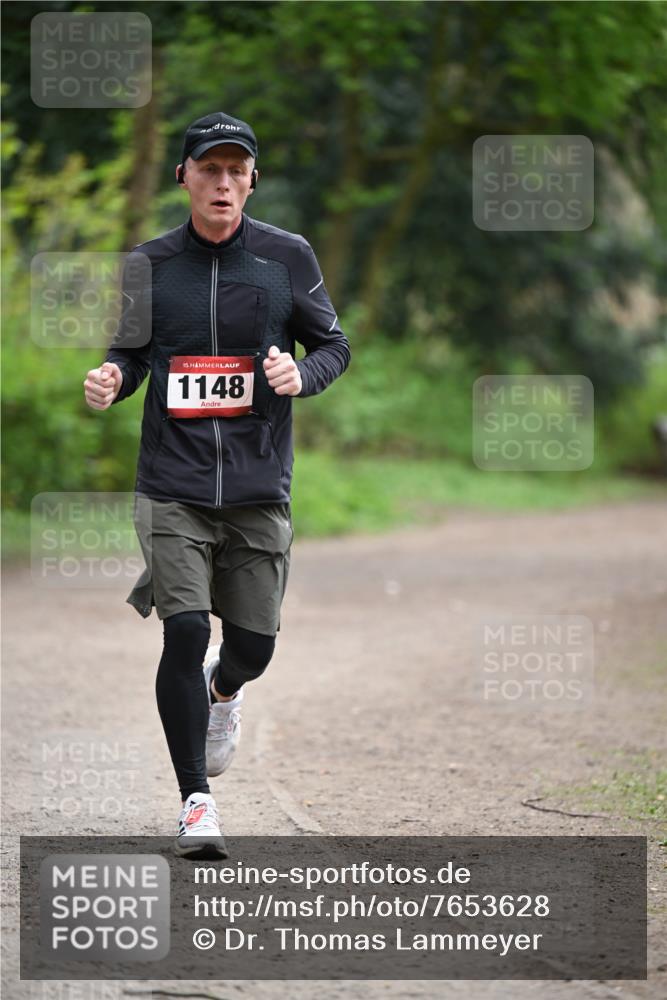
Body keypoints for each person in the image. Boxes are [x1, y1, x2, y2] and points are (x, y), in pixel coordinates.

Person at [83, 111, 350, 859]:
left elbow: (334, 343)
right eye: (209, 169)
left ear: (253, 181)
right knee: (186, 628)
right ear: (184, 178)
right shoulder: (148, 264)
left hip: (260, 484)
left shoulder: (285, 259)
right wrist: (113, 378)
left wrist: (303, 374)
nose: (223, 182)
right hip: (170, 483)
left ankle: (223, 693)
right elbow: (129, 354)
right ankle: (196, 801)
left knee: (252, 648)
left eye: (237, 170)